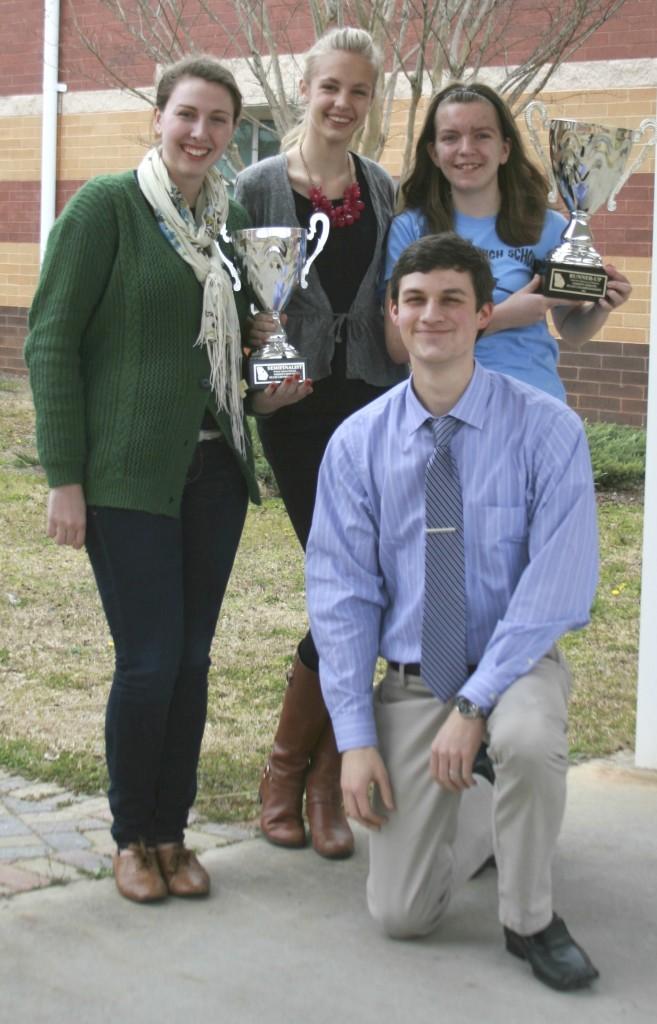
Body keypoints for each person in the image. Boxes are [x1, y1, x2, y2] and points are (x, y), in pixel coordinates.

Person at [24, 55, 301, 904]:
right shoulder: (107, 207)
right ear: (158, 117)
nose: (201, 133)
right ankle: (129, 836)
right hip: (126, 478)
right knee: (147, 662)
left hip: (215, 471)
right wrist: (63, 477)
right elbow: (50, 342)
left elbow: (223, 341)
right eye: (187, 114)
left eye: (219, 120)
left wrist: (265, 346)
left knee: (191, 659)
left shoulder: (230, 220)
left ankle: (172, 833)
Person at [306, 233, 601, 991]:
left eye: (450, 300)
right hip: (412, 679)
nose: (431, 315)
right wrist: (355, 738)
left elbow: (557, 584)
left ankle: (529, 918)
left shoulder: (547, 429)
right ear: (393, 315)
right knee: (403, 916)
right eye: (415, 300)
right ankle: (482, 802)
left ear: (483, 315)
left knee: (527, 741)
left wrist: (475, 705)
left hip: (513, 664)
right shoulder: (355, 444)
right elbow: (342, 596)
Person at [235, 27, 406, 859]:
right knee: (346, 580)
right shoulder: (259, 185)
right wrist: (252, 365)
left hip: (374, 399)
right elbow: (227, 300)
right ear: (304, 87)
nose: (343, 103)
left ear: (371, 102)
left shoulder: (383, 187)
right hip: (296, 410)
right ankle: (288, 771)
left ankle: (317, 770)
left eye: (359, 92)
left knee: (374, 582)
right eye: (330, 86)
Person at [383, 82, 632, 399]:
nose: (466, 148)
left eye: (482, 135)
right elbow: (396, 346)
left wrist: (601, 307)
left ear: (505, 149)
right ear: (433, 152)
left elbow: (572, 330)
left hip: (534, 404)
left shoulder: (549, 227)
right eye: (450, 137)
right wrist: (500, 318)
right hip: (447, 406)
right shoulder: (411, 230)